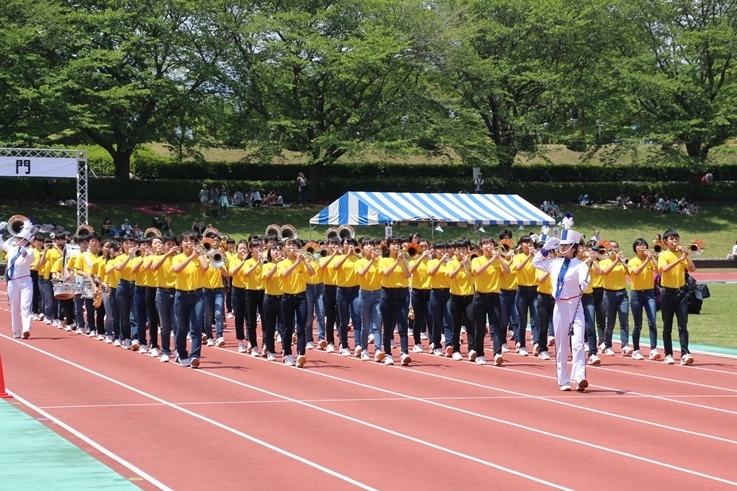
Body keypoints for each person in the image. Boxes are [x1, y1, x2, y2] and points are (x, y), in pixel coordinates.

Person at [532, 228, 592, 391]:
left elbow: (585, 279)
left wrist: (583, 284)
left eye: (565, 245)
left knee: (578, 343)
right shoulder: (555, 263)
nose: (561, 247)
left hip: (575, 305)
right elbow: (535, 263)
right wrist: (545, 249)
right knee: (561, 345)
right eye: (560, 245)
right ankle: (563, 380)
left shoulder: (580, 265)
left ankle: (579, 377)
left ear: (573, 247)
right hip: (559, 306)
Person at [657, 229, 696, 365]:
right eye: (672, 239)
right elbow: (663, 269)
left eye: (676, 239)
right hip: (667, 293)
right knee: (667, 325)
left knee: (683, 325)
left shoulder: (681, 255)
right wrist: (679, 259)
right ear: (665, 241)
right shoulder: (663, 255)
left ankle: (685, 353)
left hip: (681, 293)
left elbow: (692, 269)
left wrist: (685, 256)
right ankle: (668, 353)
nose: (675, 241)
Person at [1, 219, 36, 339]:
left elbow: (27, 256)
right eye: (16, 238)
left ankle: (26, 328)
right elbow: (1, 244)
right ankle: (16, 330)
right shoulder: (12, 249)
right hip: (12, 282)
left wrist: (22, 247)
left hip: (25, 281)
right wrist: (0, 231)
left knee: (25, 306)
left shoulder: (30, 251)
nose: (15, 240)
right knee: (14, 307)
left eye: (18, 238)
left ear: (24, 241)